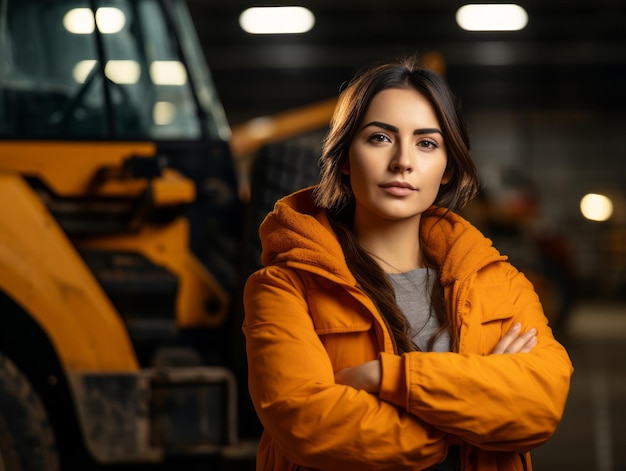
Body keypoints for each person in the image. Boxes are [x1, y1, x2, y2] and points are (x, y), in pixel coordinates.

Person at [243, 56, 573, 471]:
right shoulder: (285, 287)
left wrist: (388, 379)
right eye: (380, 138)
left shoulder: (498, 283)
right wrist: (472, 415)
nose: (403, 160)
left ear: (449, 167)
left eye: (427, 143)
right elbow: (307, 424)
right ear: (344, 157)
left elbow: (539, 406)